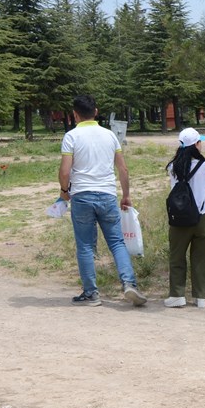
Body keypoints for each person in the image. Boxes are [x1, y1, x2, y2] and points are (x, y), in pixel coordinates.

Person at [58, 94, 147, 307]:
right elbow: (123, 168)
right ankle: (129, 284)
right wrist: (126, 195)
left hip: (82, 196)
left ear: (75, 114)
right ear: (96, 112)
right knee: (117, 242)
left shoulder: (71, 136)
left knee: (86, 246)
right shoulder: (110, 136)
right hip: (107, 194)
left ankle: (91, 293)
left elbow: (64, 171)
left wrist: (64, 191)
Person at [164, 128, 205, 308]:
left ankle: (177, 295)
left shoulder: (172, 167)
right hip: (203, 218)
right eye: (200, 142)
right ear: (197, 144)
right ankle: (200, 297)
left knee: (177, 256)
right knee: (202, 258)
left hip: (179, 219)